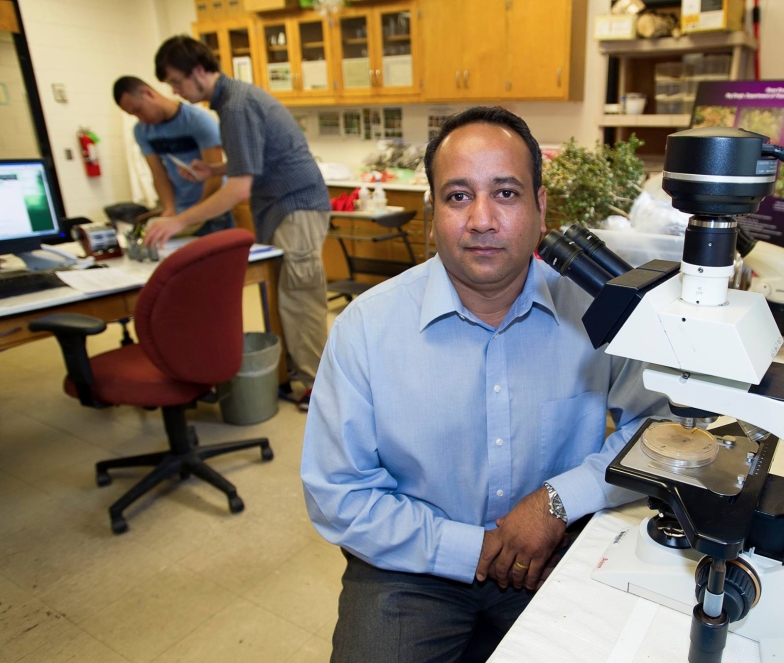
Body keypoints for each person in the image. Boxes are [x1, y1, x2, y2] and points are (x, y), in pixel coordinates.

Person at [301, 107, 667, 662]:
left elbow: (658, 430)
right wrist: (473, 548)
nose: (482, 219)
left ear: (541, 207)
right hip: (410, 563)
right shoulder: (365, 329)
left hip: (555, 543)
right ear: (432, 214)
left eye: (506, 193)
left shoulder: (596, 312)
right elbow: (339, 493)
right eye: (458, 196)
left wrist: (559, 500)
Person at [147, 36, 332, 408]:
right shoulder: (233, 100)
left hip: (295, 208)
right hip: (284, 209)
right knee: (287, 298)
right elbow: (253, 159)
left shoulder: (235, 106)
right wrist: (213, 169)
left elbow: (238, 189)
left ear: (199, 71)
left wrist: (178, 221)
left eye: (177, 81)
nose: (176, 91)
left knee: (300, 300)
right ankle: (295, 373)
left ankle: (321, 388)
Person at [113, 76, 234, 236]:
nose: (140, 118)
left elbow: (214, 176)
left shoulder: (198, 120)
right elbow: (159, 174)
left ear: (148, 93)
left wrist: (194, 215)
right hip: (181, 211)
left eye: (138, 110)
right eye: (133, 115)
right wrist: (169, 209)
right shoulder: (142, 131)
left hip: (212, 210)